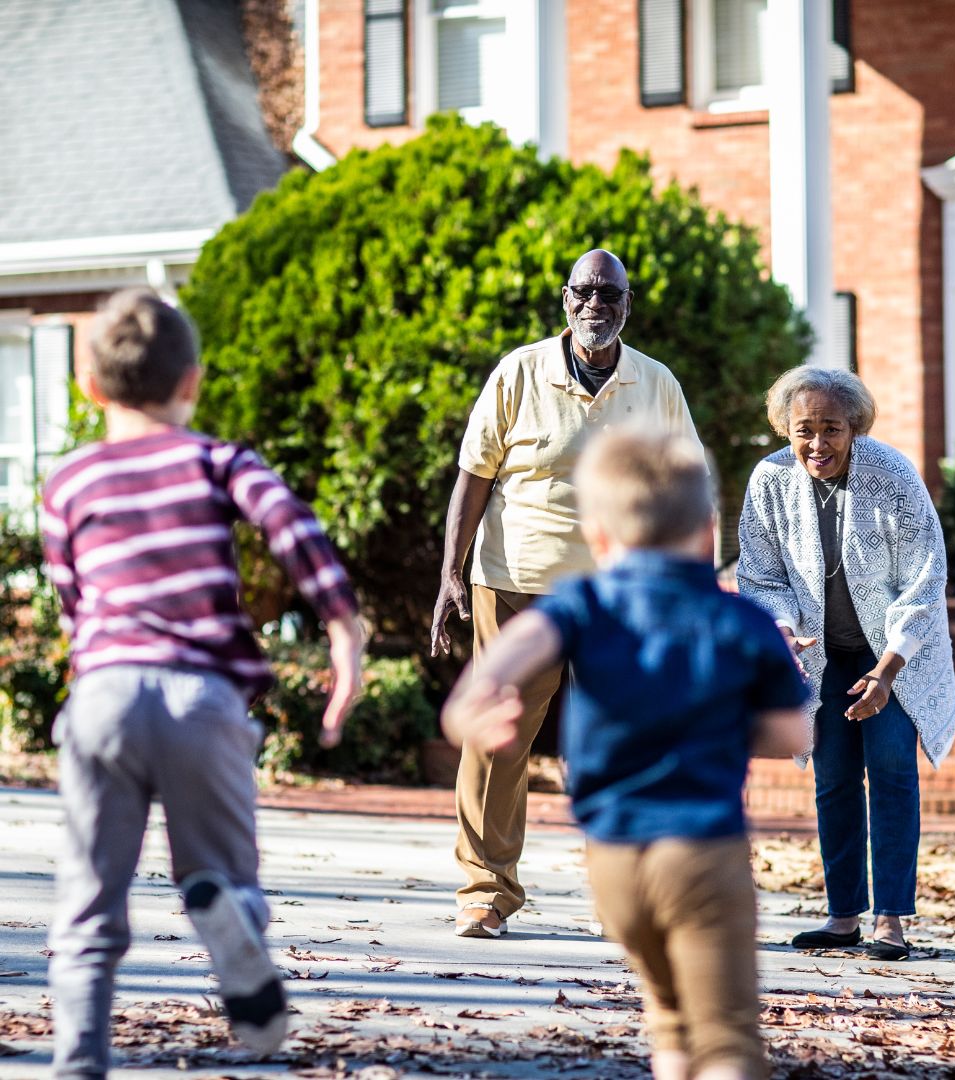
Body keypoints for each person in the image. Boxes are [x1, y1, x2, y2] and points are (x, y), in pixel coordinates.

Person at [41, 288, 365, 1077]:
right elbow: (292, 526)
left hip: (106, 699)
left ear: (89, 386)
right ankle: (234, 920)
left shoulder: (69, 482)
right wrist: (343, 633)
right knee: (223, 873)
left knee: (88, 901)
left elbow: (70, 597)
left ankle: (79, 1058)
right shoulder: (218, 460)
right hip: (202, 699)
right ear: (193, 381)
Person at [442, 429, 808, 1080]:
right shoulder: (743, 620)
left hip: (614, 863)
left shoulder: (583, 603)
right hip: (704, 852)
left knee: (668, 1018)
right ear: (708, 530)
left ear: (599, 538)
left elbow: (495, 669)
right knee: (724, 1040)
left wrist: (475, 710)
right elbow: (790, 736)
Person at [430, 249, 703, 939]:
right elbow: (474, 476)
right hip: (517, 582)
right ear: (564, 299)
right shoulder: (520, 372)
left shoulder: (655, 383)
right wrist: (450, 573)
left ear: (627, 303)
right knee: (499, 739)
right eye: (584, 291)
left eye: (609, 294)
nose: (596, 305)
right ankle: (484, 892)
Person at [737, 366, 955, 962]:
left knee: (890, 769)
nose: (817, 444)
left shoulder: (891, 474)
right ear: (785, 429)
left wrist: (887, 672)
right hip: (821, 654)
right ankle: (843, 917)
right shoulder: (770, 480)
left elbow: (925, 575)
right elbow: (759, 574)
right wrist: (783, 629)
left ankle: (891, 918)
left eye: (831, 429)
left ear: (855, 426)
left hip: (895, 654)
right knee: (833, 778)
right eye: (803, 429)